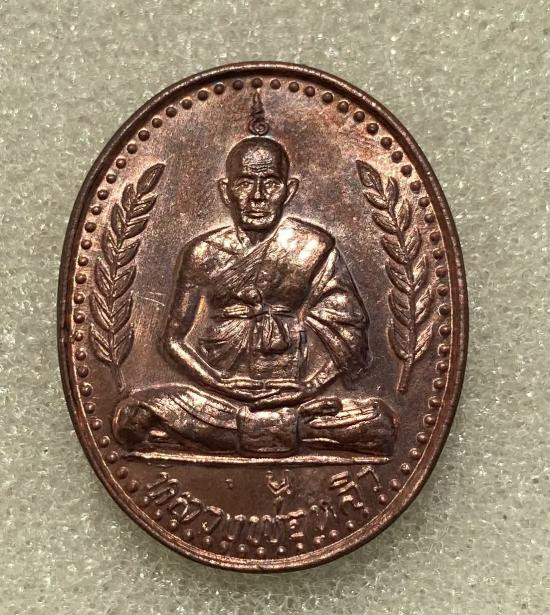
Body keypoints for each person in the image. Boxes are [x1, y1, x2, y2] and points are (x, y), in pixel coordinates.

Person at [113, 97, 396, 456]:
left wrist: (308, 387)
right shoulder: (202, 253)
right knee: (133, 417)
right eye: (245, 183)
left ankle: (254, 431)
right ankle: (287, 431)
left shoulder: (312, 246)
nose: (258, 196)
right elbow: (172, 340)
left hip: (294, 393)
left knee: (378, 422)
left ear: (289, 191)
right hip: (216, 398)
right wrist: (220, 383)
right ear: (226, 191)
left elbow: (349, 332)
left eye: (271, 183)